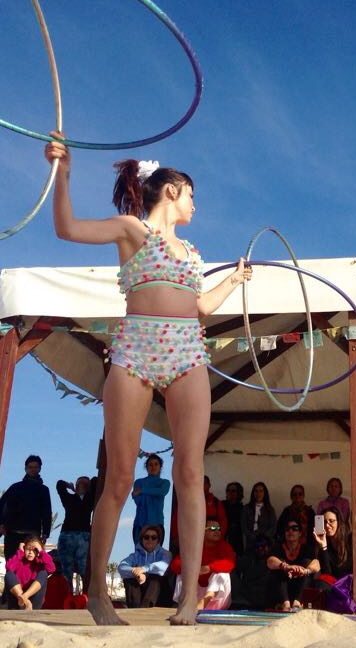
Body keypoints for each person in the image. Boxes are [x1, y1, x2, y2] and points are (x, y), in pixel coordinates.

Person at [44, 135, 251, 625]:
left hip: (187, 352)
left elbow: (200, 308)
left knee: (191, 475)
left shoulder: (191, 253)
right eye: (193, 194)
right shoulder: (132, 230)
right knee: (117, 477)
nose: (196, 204)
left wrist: (234, 280)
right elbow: (67, 228)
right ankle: (98, 592)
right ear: (174, 190)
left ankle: (188, 599)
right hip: (136, 348)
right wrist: (64, 174)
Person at [0, 455, 52, 562]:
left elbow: (46, 512)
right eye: (30, 467)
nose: (33, 469)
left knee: (30, 569)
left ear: (39, 469)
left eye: (35, 467)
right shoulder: (15, 487)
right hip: (12, 535)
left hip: (32, 536)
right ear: (25, 468)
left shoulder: (43, 490)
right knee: (11, 569)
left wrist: (46, 533)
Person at [172, 518, 236, 610]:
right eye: (212, 528)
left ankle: (204, 602)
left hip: (216, 600)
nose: (217, 531)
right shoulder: (193, 546)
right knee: (182, 574)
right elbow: (175, 565)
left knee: (222, 574)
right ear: (202, 530)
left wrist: (209, 568)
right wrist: (193, 570)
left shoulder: (225, 546)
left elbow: (230, 564)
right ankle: (186, 604)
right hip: (193, 598)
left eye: (218, 528)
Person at [56, 475, 97, 595]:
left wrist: (89, 485)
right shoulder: (68, 498)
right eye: (79, 483)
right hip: (67, 535)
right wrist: (69, 486)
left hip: (84, 535)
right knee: (66, 568)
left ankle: (86, 595)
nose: (82, 485)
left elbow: (95, 480)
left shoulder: (90, 498)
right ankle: (67, 595)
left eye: (85, 484)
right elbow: (59, 484)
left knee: (84, 567)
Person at [267, 519, 319, 610]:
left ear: (300, 533)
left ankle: (297, 603)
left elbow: (317, 564)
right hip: (282, 589)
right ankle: (285, 604)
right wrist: (286, 567)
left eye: (294, 528)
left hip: (300, 587)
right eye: (287, 529)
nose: (290, 531)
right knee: (279, 565)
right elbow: (269, 561)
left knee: (306, 563)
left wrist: (305, 570)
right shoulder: (278, 547)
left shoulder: (306, 548)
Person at [119, 523, 172, 608]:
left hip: (161, 596)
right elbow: (121, 566)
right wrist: (136, 573)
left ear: (158, 540)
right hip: (141, 591)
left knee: (155, 577)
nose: (150, 540)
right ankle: (135, 609)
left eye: (153, 537)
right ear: (142, 539)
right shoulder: (135, 555)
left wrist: (143, 569)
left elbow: (163, 566)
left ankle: (145, 608)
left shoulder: (165, 553)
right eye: (146, 537)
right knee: (131, 579)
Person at [170, 475, 227, 553]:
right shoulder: (187, 501)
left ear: (209, 485)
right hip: (190, 542)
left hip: (211, 543)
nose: (200, 485)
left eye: (203, 483)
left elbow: (223, 521)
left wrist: (219, 538)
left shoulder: (216, 502)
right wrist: (176, 537)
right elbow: (177, 519)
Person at [5, 535, 56, 610]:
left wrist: (41, 551)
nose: (30, 552)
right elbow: (8, 567)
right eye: (28, 549)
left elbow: (52, 569)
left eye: (34, 550)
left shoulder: (40, 562)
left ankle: (25, 597)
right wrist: (20, 552)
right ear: (24, 548)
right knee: (9, 574)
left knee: (43, 572)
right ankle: (25, 600)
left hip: (34, 601)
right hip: (17, 598)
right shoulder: (19, 560)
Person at [131, 453, 169, 543]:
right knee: (139, 554)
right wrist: (153, 492)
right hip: (139, 523)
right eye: (150, 464)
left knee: (156, 555)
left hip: (157, 523)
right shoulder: (138, 482)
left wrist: (142, 490)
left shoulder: (164, 482)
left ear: (160, 467)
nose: (153, 467)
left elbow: (162, 492)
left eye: (156, 464)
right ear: (146, 467)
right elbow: (138, 500)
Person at [242, 481, 277, 549]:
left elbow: (273, 527)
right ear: (253, 493)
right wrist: (252, 536)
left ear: (265, 493)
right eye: (256, 491)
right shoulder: (246, 508)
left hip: (266, 543)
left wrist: (263, 537)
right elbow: (244, 526)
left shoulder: (270, 509)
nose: (258, 493)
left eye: (261, 491)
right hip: (250, 542)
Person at [222, 482, 245, 556]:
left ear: (238, 493)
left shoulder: (243, 508)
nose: (230, 493)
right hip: (222, 536)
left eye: (233, 491)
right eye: (228, 490)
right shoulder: (221, 505)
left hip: (237, 539)